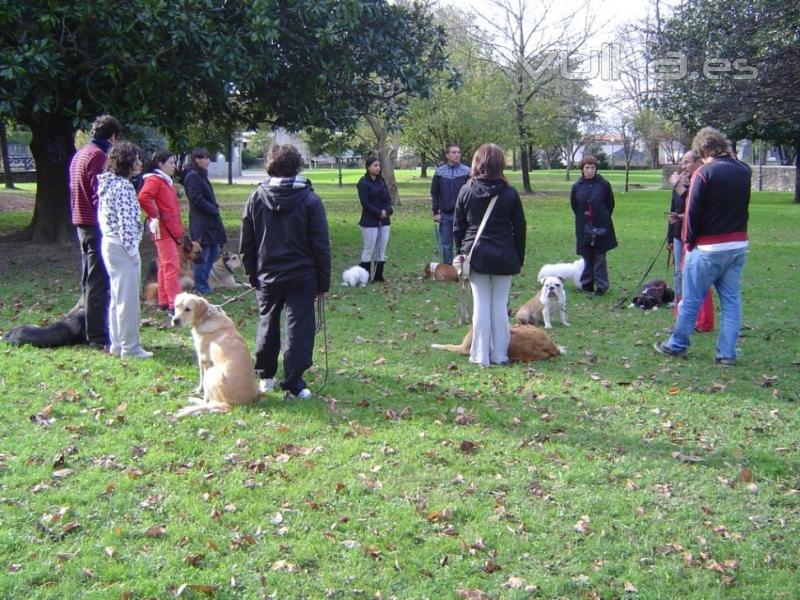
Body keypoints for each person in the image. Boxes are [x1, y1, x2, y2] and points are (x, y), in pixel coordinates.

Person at [654, 127, 751, 365]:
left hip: (708, 248)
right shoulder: (744, 170)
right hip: (737, 244)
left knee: (691, 299)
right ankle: (727, 353)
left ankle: (677, 345)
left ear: (704, 150)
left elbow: (693, 212)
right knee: (731, 302)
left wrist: (687, 244)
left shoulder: (705, 173)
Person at [240, 144, 331, 399]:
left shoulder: (262, 198)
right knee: (296, 327)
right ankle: (288, 381)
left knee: (272, 324)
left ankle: (272, 378)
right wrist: (323, 282)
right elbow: (321, 245)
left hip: (277, 274)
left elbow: (246, 242)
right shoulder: (305, 199)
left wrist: (252, 274)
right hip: (296, 275)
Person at [453, 143, 526, 367]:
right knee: (499, 308)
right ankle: (500, 355)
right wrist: (518, 258)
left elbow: (458, 227)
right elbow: (520, 227)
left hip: (477, 256)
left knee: (481, 307)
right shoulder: (510, 192)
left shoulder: (466, 190)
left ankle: (480, 355)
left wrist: (461, 253)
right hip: (505, 255)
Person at [69, 114, 121, 350]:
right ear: (112, 136)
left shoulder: (80, 153)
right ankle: (97, 335)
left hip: (80, 221)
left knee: (88, 278)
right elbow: (99, 193)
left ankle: (85, 325)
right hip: (94, 223)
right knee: (98, 281)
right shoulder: (99, 156)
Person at [96, 141, 151, 359]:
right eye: (135, 159)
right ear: (126, 162)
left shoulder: (108, 184)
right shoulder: (124, 187)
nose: (139, 162)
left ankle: (117, 344)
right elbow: (127, 227)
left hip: (109, 244)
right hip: (121, 247)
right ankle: (131, 347)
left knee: (117, 298)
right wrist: (134, 248)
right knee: (127, 301)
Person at [669, 150, 715, 332]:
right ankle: (680, 313)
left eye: (687, 162)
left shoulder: (700, 181)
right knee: (680, 274)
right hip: (680, 235)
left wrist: (678, 188)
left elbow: (694, 207)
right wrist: (671, 234)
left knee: (696, 277)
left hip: (696, 238)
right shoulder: (683, 181)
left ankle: (699, 319)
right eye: (683, 162)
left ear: (698, 162)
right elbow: (677, 208)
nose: (684, 166)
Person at [137, 151, 184, 314]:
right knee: (171, 266)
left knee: (165, 266)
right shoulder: (155, 180)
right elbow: (143, 197)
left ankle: (164, 301)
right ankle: (174, 304)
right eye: (171, 163)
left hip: (170, 229)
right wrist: (155, 214)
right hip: (164, 230)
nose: (174, 166)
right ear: (160, 164)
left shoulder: (165, 181)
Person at [570, 155, 617, 295]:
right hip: (583, 226)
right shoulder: (577, 187)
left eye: (592, 167)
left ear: (596, 169)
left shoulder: (603, 184)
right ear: (582, 170)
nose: (590, 170)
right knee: (587, 256)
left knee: (599, 257)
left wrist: (601, 216)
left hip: (601, 224)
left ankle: (601, 286)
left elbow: (610, 204)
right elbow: (574, 205)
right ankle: (587, 284)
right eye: (587, 168)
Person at [184, 147, 226, 295]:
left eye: (208, 157)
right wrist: (212, 208)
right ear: (197, 160)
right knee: (204, 254)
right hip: (201, 222)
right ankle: (201, 286)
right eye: (205, 158)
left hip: (210, 222)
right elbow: (196, 198)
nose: (208, 161)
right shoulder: (193, 176)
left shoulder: (201, 174)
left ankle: (203, 283)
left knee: (214, 251)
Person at [431, 144, 470, 264]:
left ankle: (461, 268)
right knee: (446, 244)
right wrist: (435, 212)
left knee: (462, 243)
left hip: (462, 214)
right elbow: (435, 193)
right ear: (447, 155)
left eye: (458, 152)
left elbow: (472, 192)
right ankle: (448, 268)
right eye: (453, 152)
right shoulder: (439, 172)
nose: (457, 155)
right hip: (445, 214)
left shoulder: (467, 171)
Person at [356, 156, 393, 282]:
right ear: (368, 167)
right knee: (368, 249)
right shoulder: (363, 183)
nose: (378, 168)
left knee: (381, 249)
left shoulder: (381, 181)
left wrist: (386, 211)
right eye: (375, 166)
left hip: (384, 220)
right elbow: (365, 203)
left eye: (379, 165)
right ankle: (365, 277)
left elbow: (388, 199)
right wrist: (378, 213)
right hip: (369, 221)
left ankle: (378, 276)